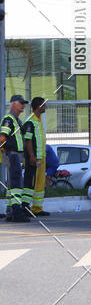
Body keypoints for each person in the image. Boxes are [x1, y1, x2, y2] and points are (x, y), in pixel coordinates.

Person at [0, 95, 30, 223]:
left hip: (14, 155)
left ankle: (10, 211)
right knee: (16, 184)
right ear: (13, 104)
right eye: (21, 103)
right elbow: (2, 138)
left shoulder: (16, 120)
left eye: (24, 103)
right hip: (12, 155)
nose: (23, 105)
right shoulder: (9, 120)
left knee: (12, 185)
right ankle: (16, 212)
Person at [22, 97, 50, 217]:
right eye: (44, 105)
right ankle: (25, 207)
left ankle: (37, 208)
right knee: (30, 184)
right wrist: (32, 156)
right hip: (33, 158)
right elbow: (27, 140)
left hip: (41, 158)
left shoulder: (38, 120)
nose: (45, 107)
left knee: (39, 183)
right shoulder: (30, 121)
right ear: (39, 107)